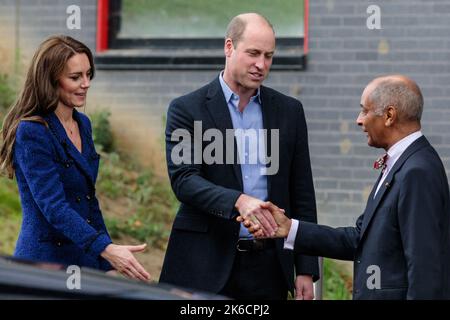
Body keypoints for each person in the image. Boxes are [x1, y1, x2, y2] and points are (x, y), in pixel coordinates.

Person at [240, 75, 450, 300]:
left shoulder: (417, 171)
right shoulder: (403, 164)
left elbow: (426, 271)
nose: (359, 120)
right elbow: (359, 239)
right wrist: (289, 228)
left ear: (389, 115)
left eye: (365, 111)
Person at [160, 13, 319, 299]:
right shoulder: (187, 109)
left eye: (269, 56)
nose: (262, 65)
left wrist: (306, 268)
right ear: (229, 47)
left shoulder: (290, 111)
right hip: (201, 265)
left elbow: (302, 193)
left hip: (268, 268)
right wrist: (238, 201)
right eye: (253, 53)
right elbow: (184, 180)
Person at [0, 35, 151, 281]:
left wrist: (106, 261)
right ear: (51, 80)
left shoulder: (83, 124)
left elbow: (89, 201)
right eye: (75, 77)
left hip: (84, 260)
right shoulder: (32, 132)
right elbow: (55, 207)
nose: (86, 83)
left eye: (88, 74)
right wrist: (107, 249)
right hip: (43, 265)